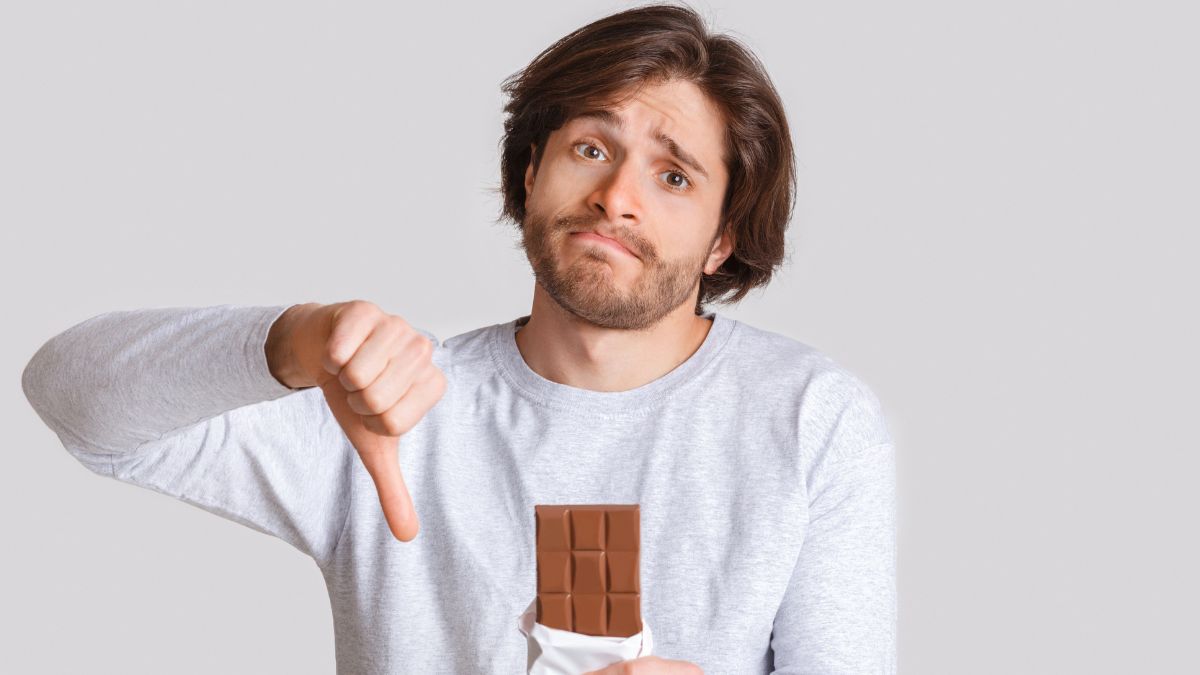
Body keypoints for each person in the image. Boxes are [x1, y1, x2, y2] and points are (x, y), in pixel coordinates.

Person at [20, 3, 895, 673]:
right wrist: (294, 342)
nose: (618, 196)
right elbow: (71, 399)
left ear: (722, 238)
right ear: (531, 169)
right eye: (592, 148)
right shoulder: (382, 397)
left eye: (673, 174)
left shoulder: (810, 420)